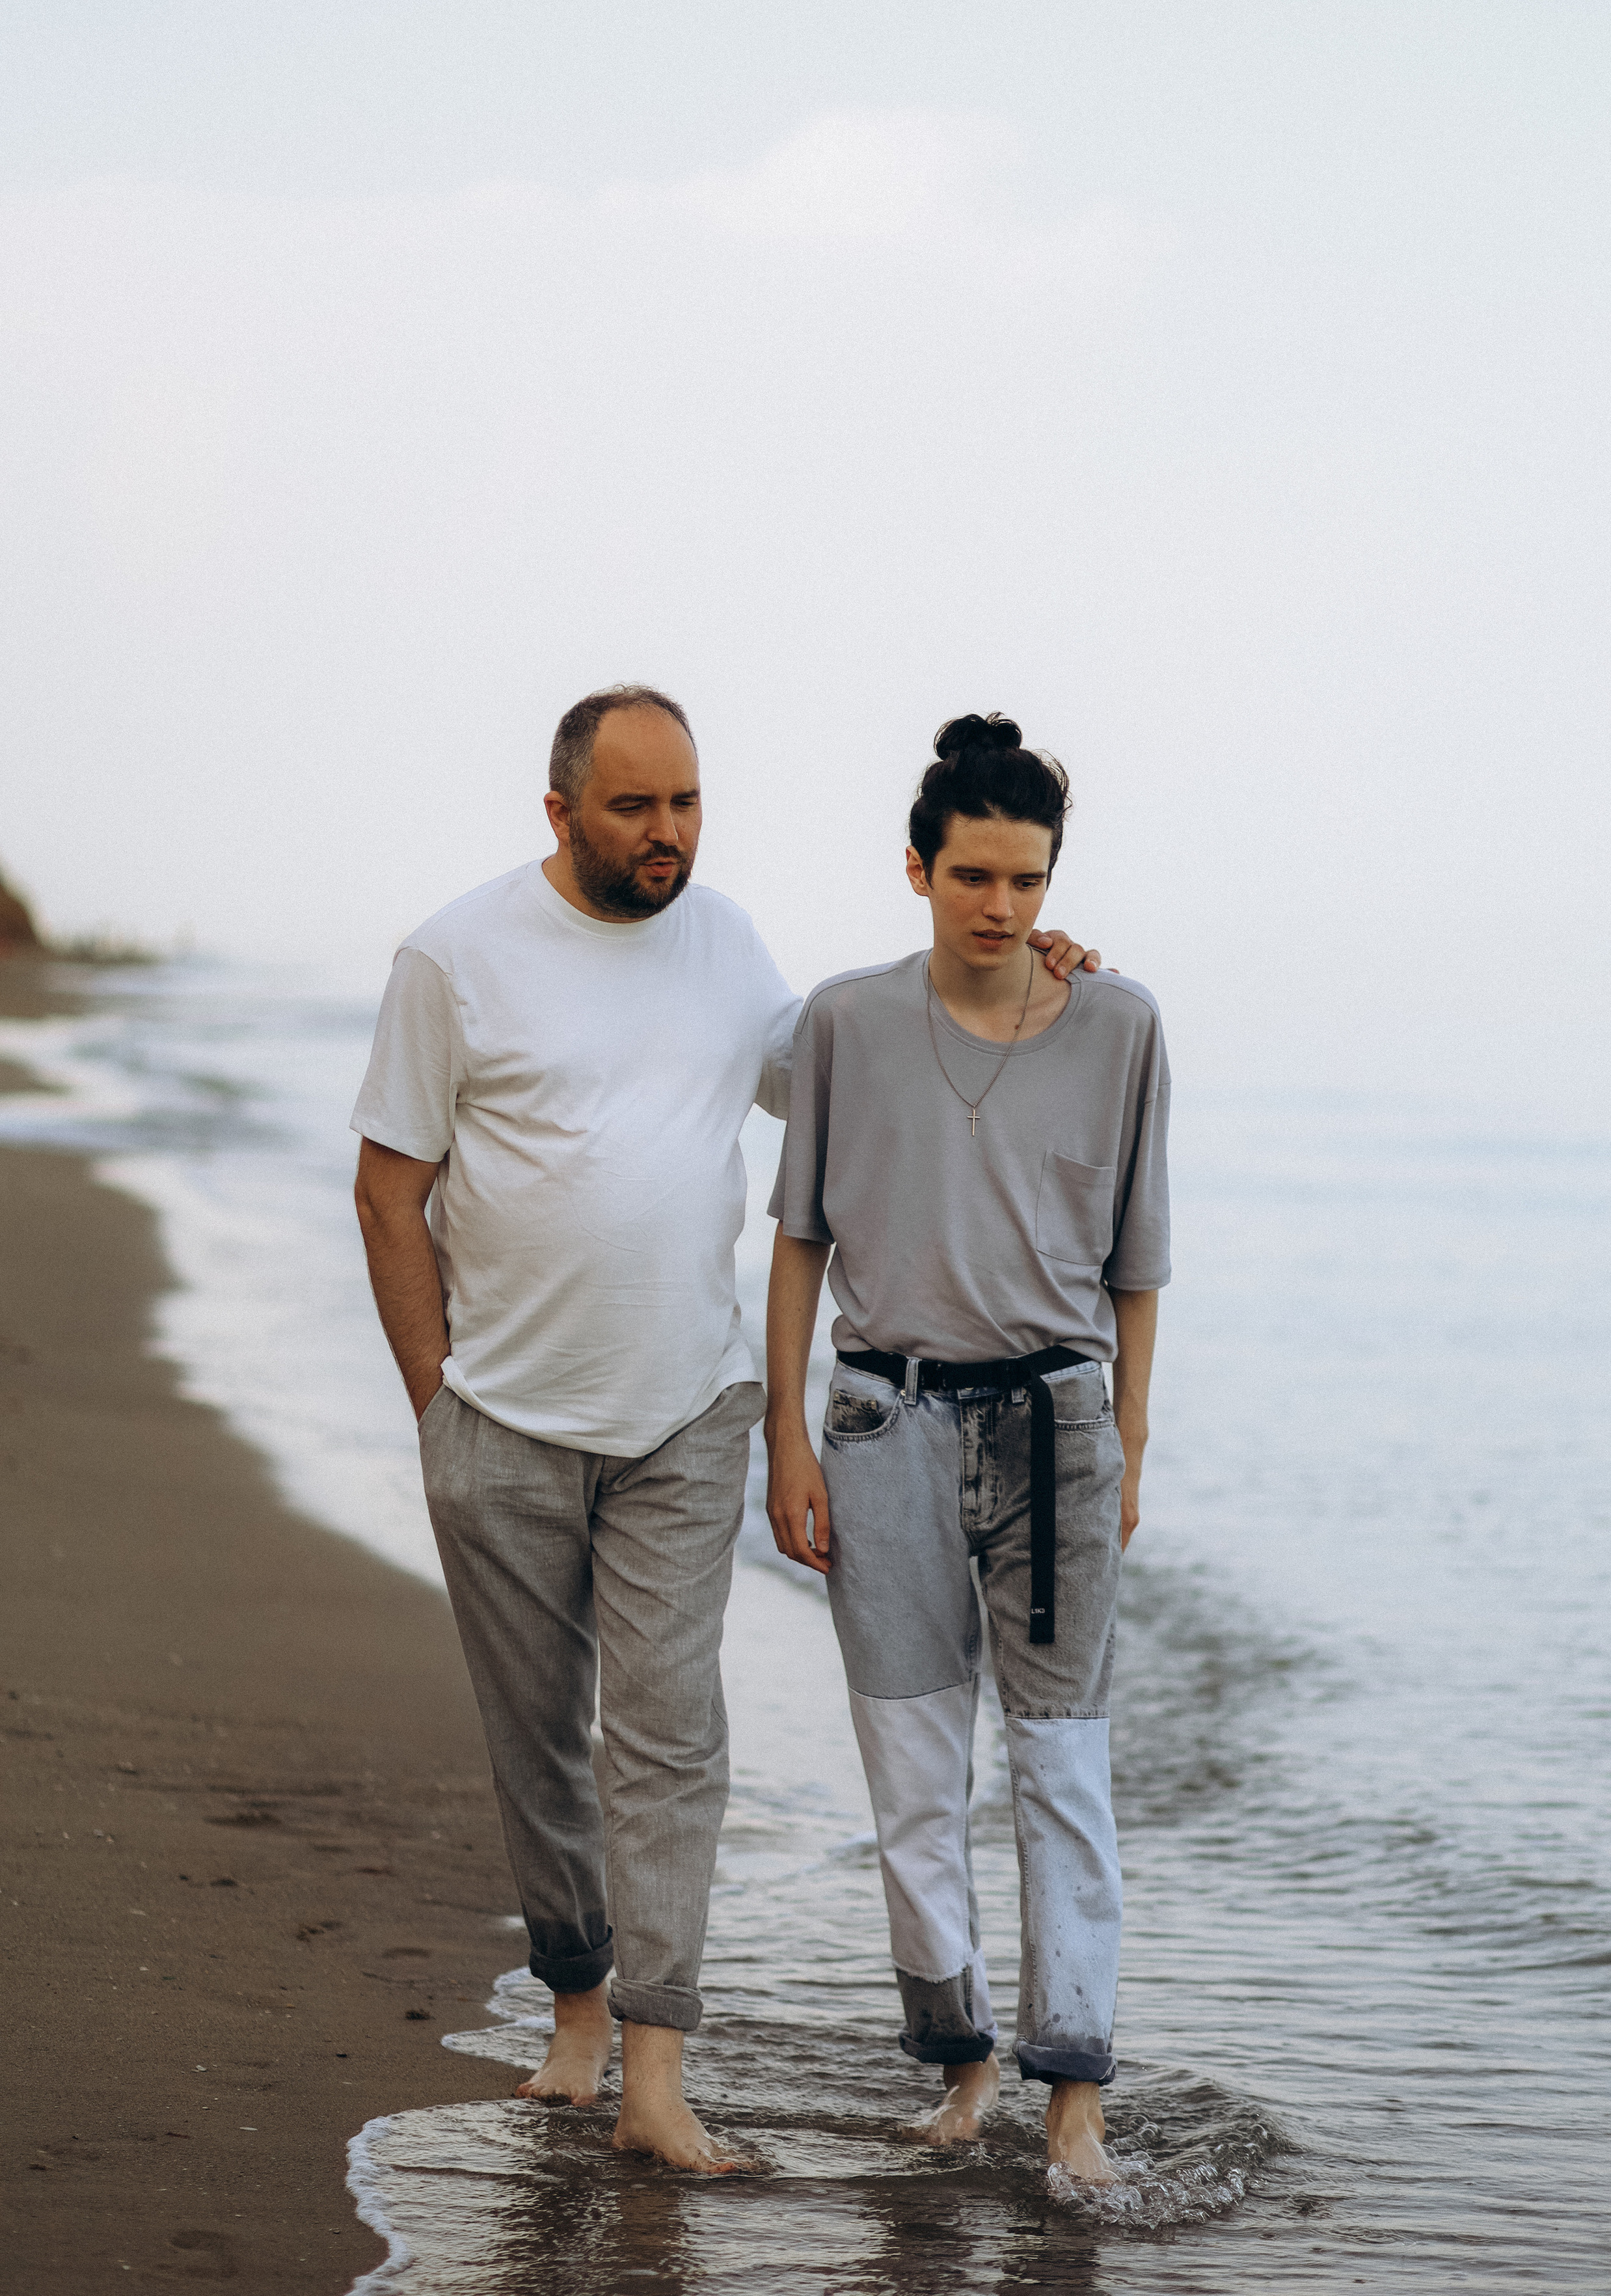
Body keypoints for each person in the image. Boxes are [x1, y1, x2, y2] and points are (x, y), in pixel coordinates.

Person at [350, 684, 1099, 2174]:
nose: (668, 834)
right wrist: (437, 1401)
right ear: (560, 813)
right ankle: (573, 2007)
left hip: (689, 1413)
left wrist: (1024, 982)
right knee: (536, 1742)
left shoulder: (726, 941)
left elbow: (847, 1067)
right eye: (634, 807)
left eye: (686, 803)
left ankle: (653, 2070)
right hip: (498, 1414)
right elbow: (388, 1187)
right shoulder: (454, 958)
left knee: (670, 1737)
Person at [763, 711, 1169, 2188]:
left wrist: (1125, 1443)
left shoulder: (1120, 1025)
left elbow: (1138, 1265)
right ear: (918, 869)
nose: (1003, 908)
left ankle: (1073, 2093)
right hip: (881, 1423)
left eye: (1028, 880)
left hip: (1056, 1427)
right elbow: (798, 1243)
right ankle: (959, 2061)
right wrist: (784, 1442)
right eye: (975, 876)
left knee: (1060, 1770)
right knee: (911, 1771)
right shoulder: (842, 1023)